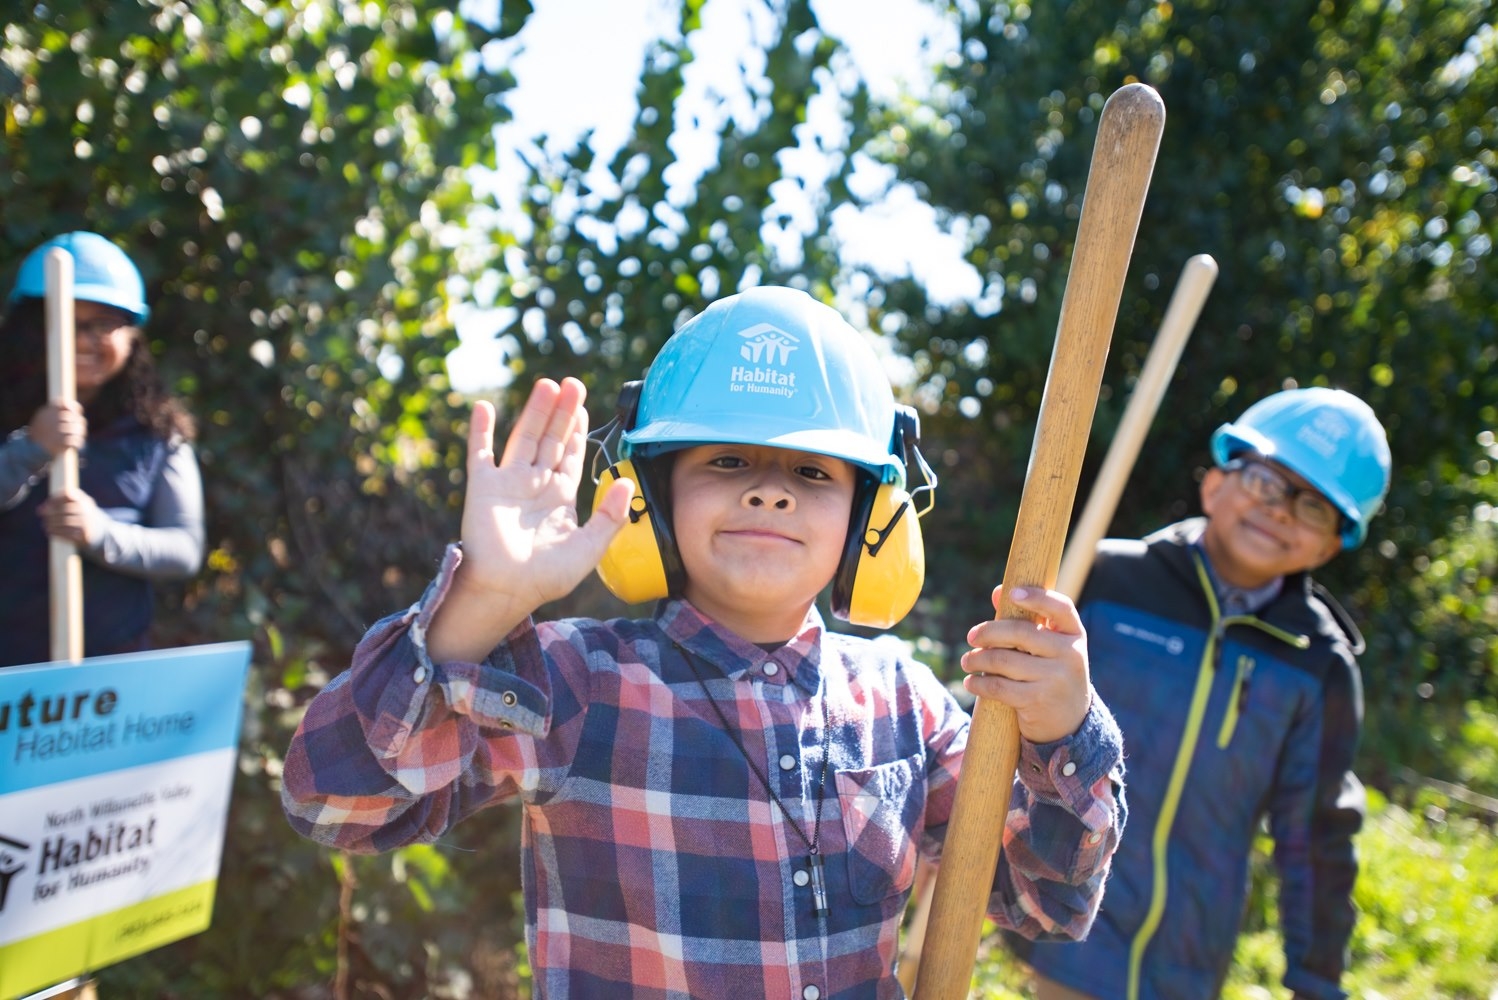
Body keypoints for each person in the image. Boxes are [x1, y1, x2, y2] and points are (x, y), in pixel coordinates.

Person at [281, 286, 1127, 997]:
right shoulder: (575, 683)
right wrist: (479, 605)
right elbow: (334, 806)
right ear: (651, 496)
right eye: (726, 461)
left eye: (812, 471)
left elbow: (1047, 904)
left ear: (873, 518)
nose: (768, 493)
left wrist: (1063, 730)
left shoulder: (905, 704)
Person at [1009, 386, 1391, 1000]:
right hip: (1069, 923)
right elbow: (1008, 712)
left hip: (1188, 951)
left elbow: (1316, 836)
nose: (1283, 511)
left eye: (1314, 507)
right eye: (1268, 481)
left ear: (1332, 544)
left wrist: (1315, 981)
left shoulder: (1318, 665)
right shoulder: (1104, 580)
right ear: (1215, 483)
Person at [0, 231, 204, 667]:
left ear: (132, 337)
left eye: (104, 324)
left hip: (107, 685)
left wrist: (99, 534)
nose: (83, 339)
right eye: (65, 321)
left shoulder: (159, 434)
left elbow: (184, 549)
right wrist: (30, 450)